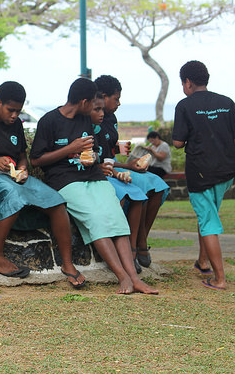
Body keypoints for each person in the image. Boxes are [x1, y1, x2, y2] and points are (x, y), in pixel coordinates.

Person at [30, 78, 158, 294]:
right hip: (65, 181)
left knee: (116, 218)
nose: (97, 111)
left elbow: (97, 152)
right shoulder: (49, 121)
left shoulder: (86, 121)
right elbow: (36, 160)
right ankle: (122, 277)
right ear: (84, 102)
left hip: (94, 177)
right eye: (94, 105)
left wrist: (93, 158)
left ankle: (135, 278)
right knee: (97, 220)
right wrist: (70, 148)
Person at [0, 81, 85, 288]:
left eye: (18, 111)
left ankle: (67, 263)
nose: (15, 116)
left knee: (57, 201)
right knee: (15, 196)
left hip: (16, 177)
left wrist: (23, 168)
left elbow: (21, 156)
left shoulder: (15, 124)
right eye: (10, 110)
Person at [94, 75, 169, 269]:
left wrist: (122, 153)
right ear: (103, 96)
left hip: (116, 165)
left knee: (158, 185)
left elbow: (109, 150)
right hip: (104, 170)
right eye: (116, 99)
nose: (119, 103)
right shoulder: (90, 117)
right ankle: (132, 247)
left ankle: (141, 240)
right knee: (136, 191)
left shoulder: (111, 118)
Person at [172, 60, 235, 291]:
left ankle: (219, 279)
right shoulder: (227, 102)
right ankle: (203, 262)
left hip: (201, 172)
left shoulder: (185, 105)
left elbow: (178, 142)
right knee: (208, 213)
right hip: (227, 170)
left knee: (208, 221)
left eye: (183, 83)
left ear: (188, 82)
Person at [90, 93, 148, 274]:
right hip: (93, 174)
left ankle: (134, 248)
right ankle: (116, 252)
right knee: (120, 195)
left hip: (109, 167)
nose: (119, 103)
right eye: (116, 98)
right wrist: (115, 169)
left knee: (139, 193)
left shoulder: (107, 121)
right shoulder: (86, 126)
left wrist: (116, 167)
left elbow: (106, 153)